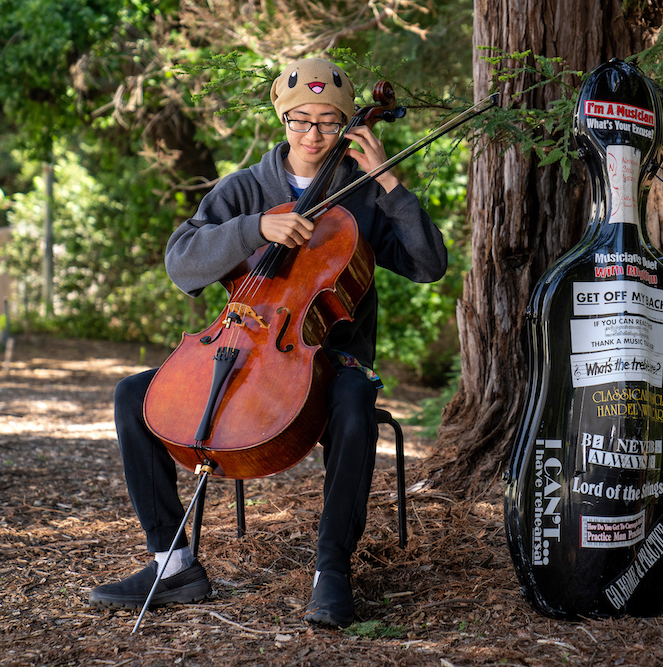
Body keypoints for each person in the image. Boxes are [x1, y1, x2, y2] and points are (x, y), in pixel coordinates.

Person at [87, 58, 448, 628]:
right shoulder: (246, 188)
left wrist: (389, 182)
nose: (312, 135)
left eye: (328, 124)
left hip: (328, 357)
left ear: (350, 126)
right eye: (299, 121)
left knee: (354, 405)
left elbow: (429, 265)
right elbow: (182, 263)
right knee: (134, 396)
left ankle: (332, 569)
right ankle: (172, 562)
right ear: (282, 119)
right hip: (242, 343)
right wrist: (255, 227)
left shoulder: (364, 195)